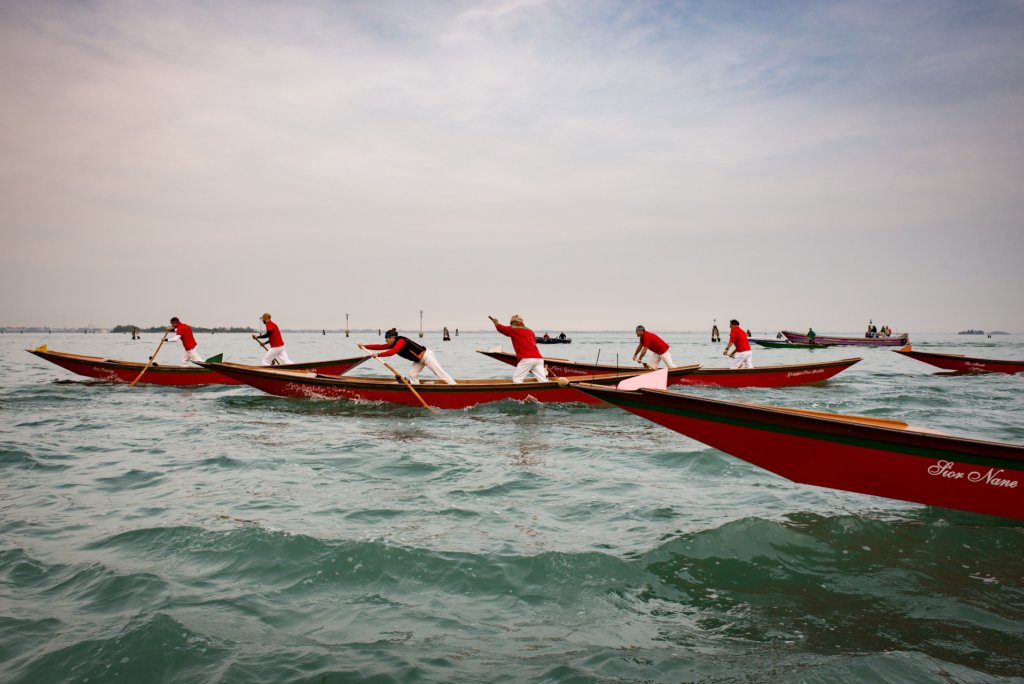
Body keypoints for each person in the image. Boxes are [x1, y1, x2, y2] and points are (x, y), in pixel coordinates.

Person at [358, 328, 455, 384]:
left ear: (392, 338)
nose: (385, 340)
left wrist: (379, 355)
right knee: (412, 375)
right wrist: (364, 346)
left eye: (387, 338)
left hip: (426, 355)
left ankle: (454, 386)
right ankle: (416, 389)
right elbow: (380, 346)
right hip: (418, 360)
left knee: (439, 372)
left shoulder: (401, 341)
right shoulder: (393, 343)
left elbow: (392, 352)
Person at [488, 314, 548, 382]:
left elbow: (501, 328)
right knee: (543, 380)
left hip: (527, 359)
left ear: (514, 322)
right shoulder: (530, 331)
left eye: (511, 323)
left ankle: (524, 393)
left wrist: (496, 323)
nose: (511, 325)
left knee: (517, 380)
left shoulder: (514, 329)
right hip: (539, 359)